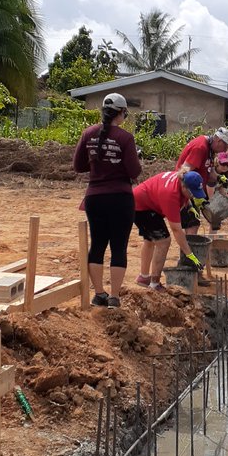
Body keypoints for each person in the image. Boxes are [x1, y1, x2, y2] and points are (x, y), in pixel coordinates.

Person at [73, 92, 141, 308]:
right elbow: (134, 171)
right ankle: (114, 296)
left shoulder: (88, 133)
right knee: (119, 246)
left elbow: (78, 165)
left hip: (94, 197)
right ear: (121, 113)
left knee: (98, 244)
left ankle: (99, 293)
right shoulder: (125, 138)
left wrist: (98, 164)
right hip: (120, 198)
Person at [132, 168, 209, 290]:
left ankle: (144, 277)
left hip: (148, 201)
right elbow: (176, 230)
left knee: (151, 240)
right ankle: (154, 284)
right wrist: (190, 254)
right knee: (163, 241)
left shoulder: (182, 179)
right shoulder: (170, 196)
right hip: (140, 207)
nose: (193, 195)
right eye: (192, 193)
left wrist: (189, 206)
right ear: (184, 186)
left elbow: (185, 196)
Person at [176, 127, 228, 232]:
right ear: (219, 140)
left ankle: (189, 248)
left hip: (194, 191)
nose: (225, 150)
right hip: (184, 190)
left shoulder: (210, 149)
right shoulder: (200, 147)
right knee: (192, 225)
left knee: (194, 224)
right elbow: (183, 173)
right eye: (225, 146)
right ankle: (189, 248)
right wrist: (191, 198)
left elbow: (209, 170)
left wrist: (218, 177)